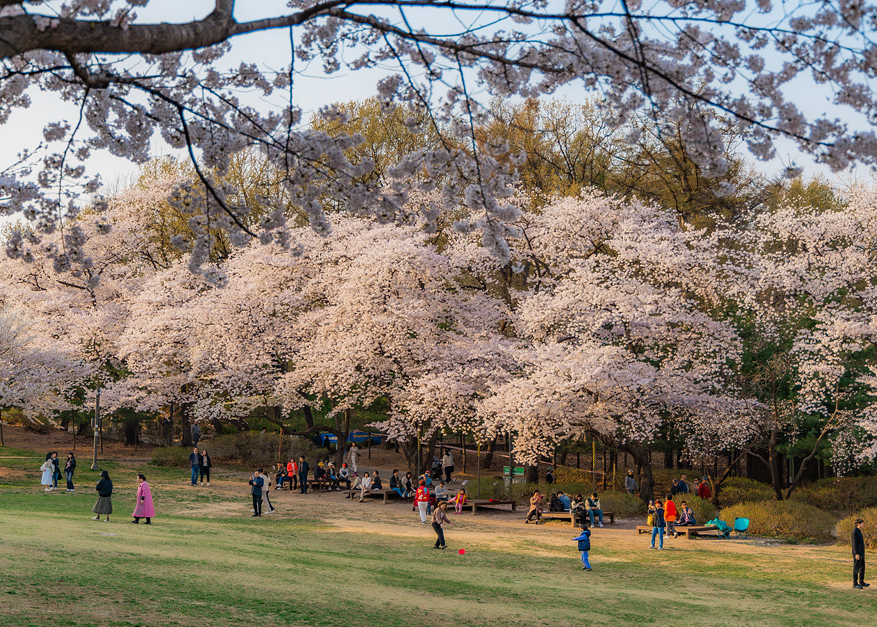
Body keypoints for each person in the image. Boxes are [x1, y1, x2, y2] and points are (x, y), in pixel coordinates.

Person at [853, 518, 869, 589]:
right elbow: (854, 544)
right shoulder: (854, 532)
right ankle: (855, 583)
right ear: (858, 524)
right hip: (857, 553)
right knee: (856, 568)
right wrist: (856, 553)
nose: (863, 524)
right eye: (862, 523)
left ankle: (861, 582)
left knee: (862, 567)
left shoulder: (859, 531)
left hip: (861, 553)